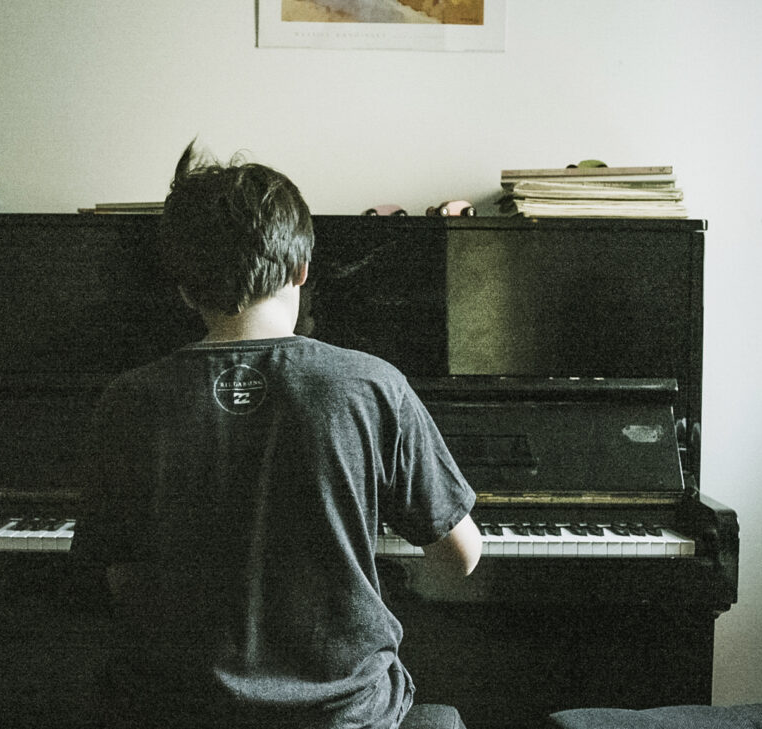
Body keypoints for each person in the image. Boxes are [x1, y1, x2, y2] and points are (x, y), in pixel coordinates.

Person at [74, 141, 481, 729]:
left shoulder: (128, 398)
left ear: (184, 287)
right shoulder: (372, 384)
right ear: (302, 269)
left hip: (184, 710)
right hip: (342, 715)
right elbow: (462, 558)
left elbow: (120, 579)